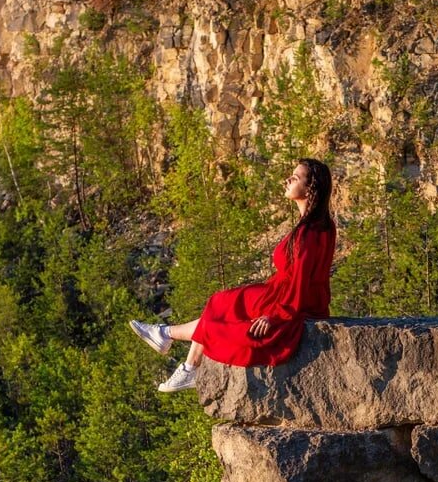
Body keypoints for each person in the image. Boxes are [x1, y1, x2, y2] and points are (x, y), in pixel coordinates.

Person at [130, 157, 336, 392]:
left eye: (296, 177)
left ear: (311, 188)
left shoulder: (308, 232)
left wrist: (275, 316)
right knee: (219, 302)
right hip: (286, 293)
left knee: (219, 314)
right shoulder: (319, 224)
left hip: (287, 299)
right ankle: (176, 351)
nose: (287, 180)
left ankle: (173, 345)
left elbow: (301, 280)